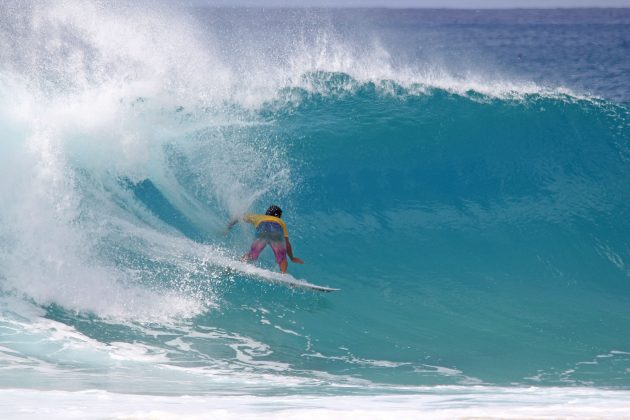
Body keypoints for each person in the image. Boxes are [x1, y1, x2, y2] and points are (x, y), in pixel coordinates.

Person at [227, 205, 304, 273]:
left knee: (253, 253)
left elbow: (239, 216)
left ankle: (238, 264)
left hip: (262, 228)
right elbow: (287, 243)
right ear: (278, 216)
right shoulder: (280, 221)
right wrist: (292, 257)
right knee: (281, 256)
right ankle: (283, 273)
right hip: (276, 229)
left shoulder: (258, 217)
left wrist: (229, 226)